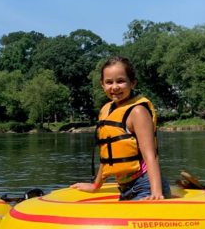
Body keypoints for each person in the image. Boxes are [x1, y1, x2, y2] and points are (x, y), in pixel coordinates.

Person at [72, 57, 171, 201]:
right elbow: (107, 155)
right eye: (109, 82)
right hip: (125, 188)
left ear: (133, 83)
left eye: (120, 81)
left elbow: (150, 155)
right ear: (102, 84)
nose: (115, 87)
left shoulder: (138, 111)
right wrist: (95, 185)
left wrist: (156, 193)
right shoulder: (106, 110)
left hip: (145, 186)